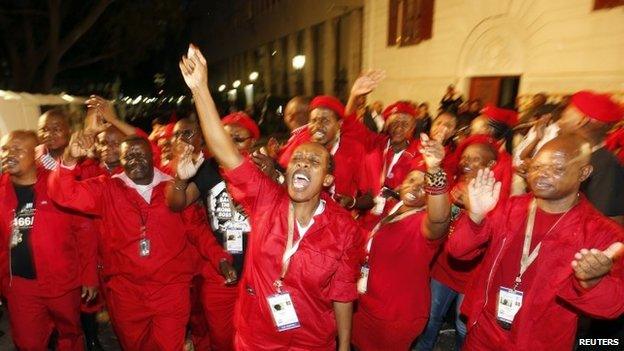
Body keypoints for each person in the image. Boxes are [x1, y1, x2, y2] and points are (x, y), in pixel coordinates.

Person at [179, 44, 362, 351]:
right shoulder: (266, 199)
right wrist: (200, 89)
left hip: (311, 339)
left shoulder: (345, 228)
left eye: (314, 162)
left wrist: (344, 346)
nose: (303, 163)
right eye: (298, 159)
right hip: (257, 336)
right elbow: (223, 149)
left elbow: (343, 293)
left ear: (328, 179)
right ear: (287, 170)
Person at [448, 134, 624, 350]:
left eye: (556, 168)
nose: (541, 175)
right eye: (537, 166)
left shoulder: (602, 233)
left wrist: (592, 283)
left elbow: (613, 307)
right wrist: (475, 217)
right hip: (483, 332)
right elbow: (458, 251)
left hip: (539, 342)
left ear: (584, 173)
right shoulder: (511, 207)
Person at [48, 133, 199, 350]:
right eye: (128, 156)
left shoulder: (173, 186)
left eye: (141, 155)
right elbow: (64, 194)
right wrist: (70, 159)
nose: (135, 160)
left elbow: (196, 229)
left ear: (152, 156)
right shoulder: (106, 188)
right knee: (135, 345)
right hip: (126, 293)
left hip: (171, 289)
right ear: (121, 160)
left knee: (170, 345)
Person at [351, 134, 451, 350]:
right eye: (412, 180)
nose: (415, 187)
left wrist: (434, 172)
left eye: (424, 185)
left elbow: (440, 218)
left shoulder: (424, 224)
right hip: (365, 303)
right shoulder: (389, 208)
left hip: (395, 315)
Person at [166, 115, 258, 351]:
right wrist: (180, 178)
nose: (230, 144)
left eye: (239, 140)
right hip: (220, 273)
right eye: (225, 138)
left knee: (256, 337)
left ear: (253, 143)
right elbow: (178, 204)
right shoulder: (206, 169)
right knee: (222, 337)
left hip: (258, 273)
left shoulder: (262, 169)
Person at [0, 130, 98, 350]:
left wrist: (90, 275)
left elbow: (85, 232)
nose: (8, 154)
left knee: (70, 336)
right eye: (5, 149)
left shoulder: (59, 185)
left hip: (62, 283)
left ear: (35, 154)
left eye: (17, 149)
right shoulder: (1, 190)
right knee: (28, 342)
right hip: (21, 288)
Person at [416, 135, 508, 351]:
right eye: (464, 158)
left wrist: (475, 211)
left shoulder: (496, 195)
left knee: (462, 325)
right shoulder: (453, 185)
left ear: (491, 165)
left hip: (474, 276)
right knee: (431, 316)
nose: (466, 162)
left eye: (475, 159)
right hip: (444, 267)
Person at [276, 93, 373, 210]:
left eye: (325, 121)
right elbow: (282, 170)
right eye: (314, 120)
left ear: (339, 124)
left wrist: (351, 202)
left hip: (340, 219)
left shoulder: (354, 149)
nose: (318, 126)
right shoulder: (301, 142)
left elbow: (369, 198)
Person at [556, 90, 624, 225]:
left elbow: (609, 224)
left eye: (564, 116)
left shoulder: (606, 166)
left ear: (582, 121)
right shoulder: (581, 157)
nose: (559, 123)